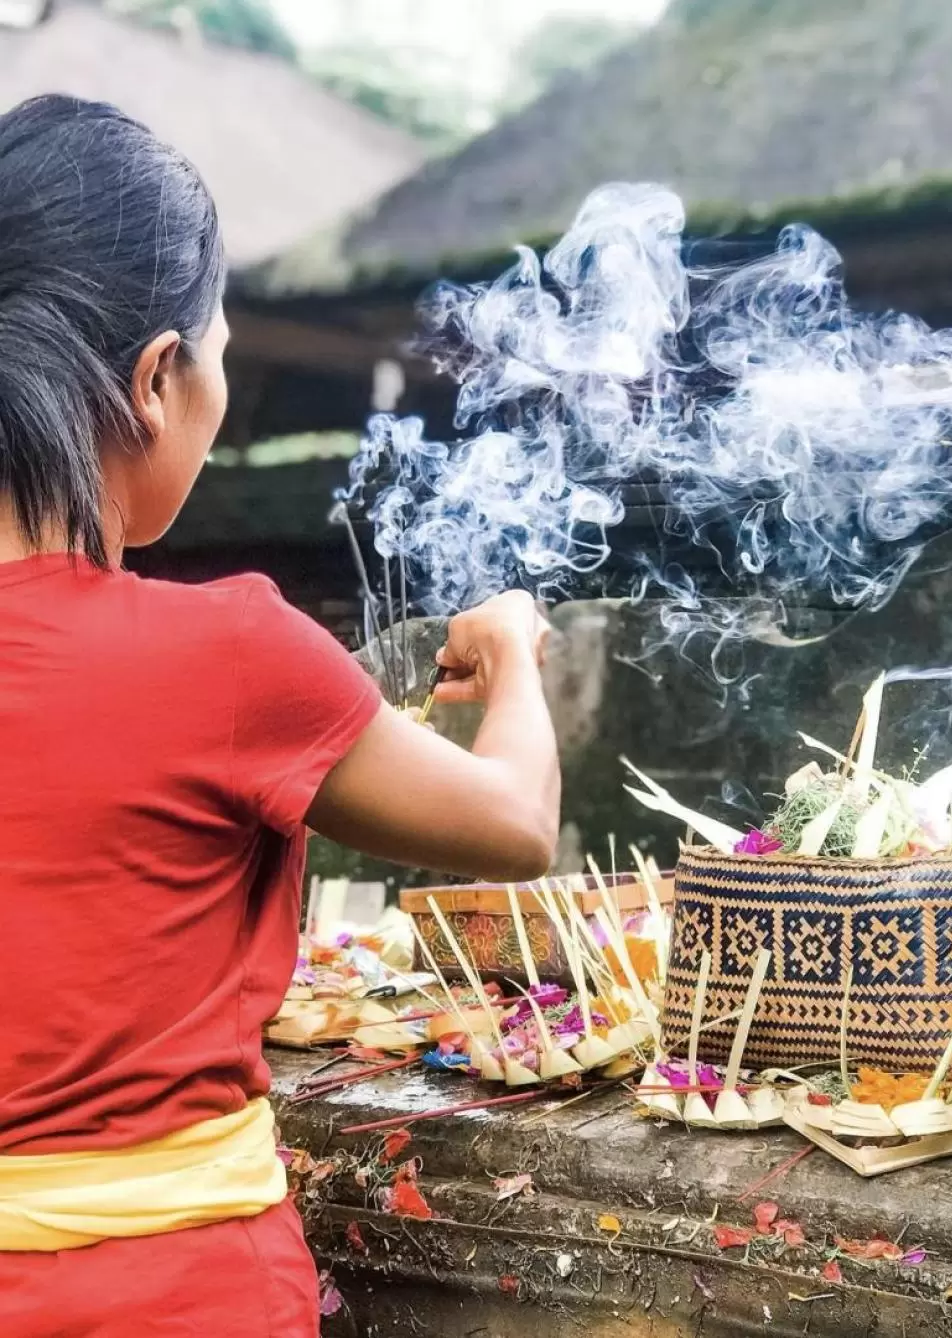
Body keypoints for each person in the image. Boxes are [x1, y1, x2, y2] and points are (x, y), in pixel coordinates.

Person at [0, 96, 559, 1338]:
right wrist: (513, 654)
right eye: (219, 353)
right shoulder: (228, 652)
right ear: (156, 378)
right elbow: (516, 823)